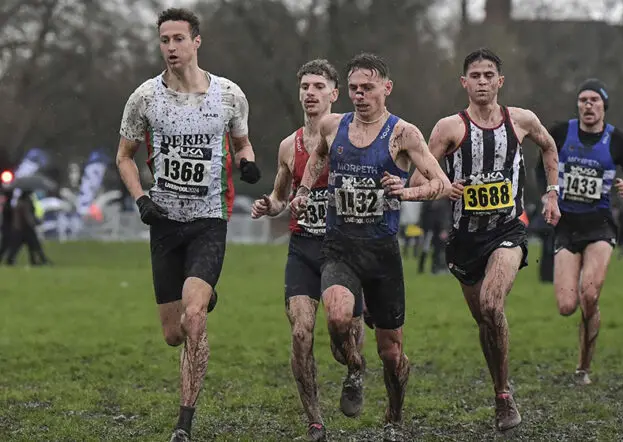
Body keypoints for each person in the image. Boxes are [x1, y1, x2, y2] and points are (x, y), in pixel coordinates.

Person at [289, 52, 451, 442]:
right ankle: (355, 368)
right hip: (339, 246)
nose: (360, 95)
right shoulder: (333, 126)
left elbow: (441, 184)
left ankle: (394, 415)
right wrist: (304, 191)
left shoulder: (403, 133)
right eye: (355, 89)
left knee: (392, 353)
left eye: (368, 88)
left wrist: (405, 191)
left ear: (386, 88)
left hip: (381, 253)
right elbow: (317, 158)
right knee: (337, 318)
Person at [115, 8, 260, 442]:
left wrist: (247, 163)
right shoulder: (145, 98)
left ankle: (184, 422)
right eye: (165, 40)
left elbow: (242, 142)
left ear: (197, 41)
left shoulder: (229, 95)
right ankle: (205, 293)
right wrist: (141, 199)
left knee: (194, 318)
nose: (171, 47)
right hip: (164, 222)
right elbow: (124, 157)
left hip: (209, 220)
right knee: (173, 334)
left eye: (179, 38)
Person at [409, 48, 561, 432]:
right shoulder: (448, 129)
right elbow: (417, 181)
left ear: (500, 81)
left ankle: (504, 395)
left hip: (507, 230)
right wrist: (443, 187)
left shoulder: (521, 120)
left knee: (492, 304)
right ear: (464, 83)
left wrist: (552, 192)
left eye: (488, 75)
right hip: (465, 240)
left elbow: (548, 145)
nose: (482, 82)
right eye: (475, 76)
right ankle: (500, 386)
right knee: (484, 321)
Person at [251, 59, 366, 442]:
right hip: (303, 248)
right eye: (305, 87)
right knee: (301, 333)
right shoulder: (289, 146)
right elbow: (280, 196)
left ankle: (355, 369)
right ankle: (315, 421)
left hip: (344, 249)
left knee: (343, 341)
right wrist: (269, 205)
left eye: (319, 86)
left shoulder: (352, 135)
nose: (311, 93)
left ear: (335, 94)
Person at [547, 78, 623, 386]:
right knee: (566, 306)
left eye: (594, 100)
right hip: (566, 224)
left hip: (600, 224)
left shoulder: (618, 140)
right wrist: (548, 193)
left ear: (604, 106)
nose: (588, 105)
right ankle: (590, 311)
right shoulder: (561, 132)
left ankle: (583, 366)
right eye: (583, 100)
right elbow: (542, 163)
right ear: (578, 105)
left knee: (588, 295)